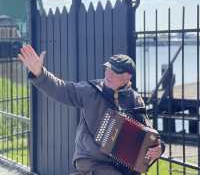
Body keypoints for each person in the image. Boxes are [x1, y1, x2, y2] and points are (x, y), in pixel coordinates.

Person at [18, 44, 165, 175]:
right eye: (107, 69)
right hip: (91, 160)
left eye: (115, 71)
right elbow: (61, 89)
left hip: (121, 167)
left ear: (128, 77)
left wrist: (159, 148)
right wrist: (39, 73)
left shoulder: (135, 100)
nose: (108, 74)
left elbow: (150, 136)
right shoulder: (91, 91)